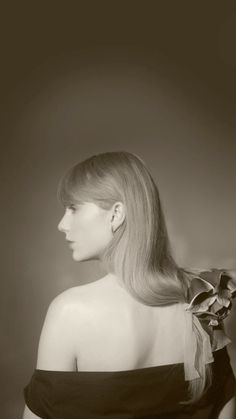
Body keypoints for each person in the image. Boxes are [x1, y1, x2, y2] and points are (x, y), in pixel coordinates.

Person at [23, 151, 236, 419]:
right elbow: (225, 405)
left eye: (73, 208)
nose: (62, 224)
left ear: (116, 214)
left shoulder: (70, 311)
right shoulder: (201, 297)